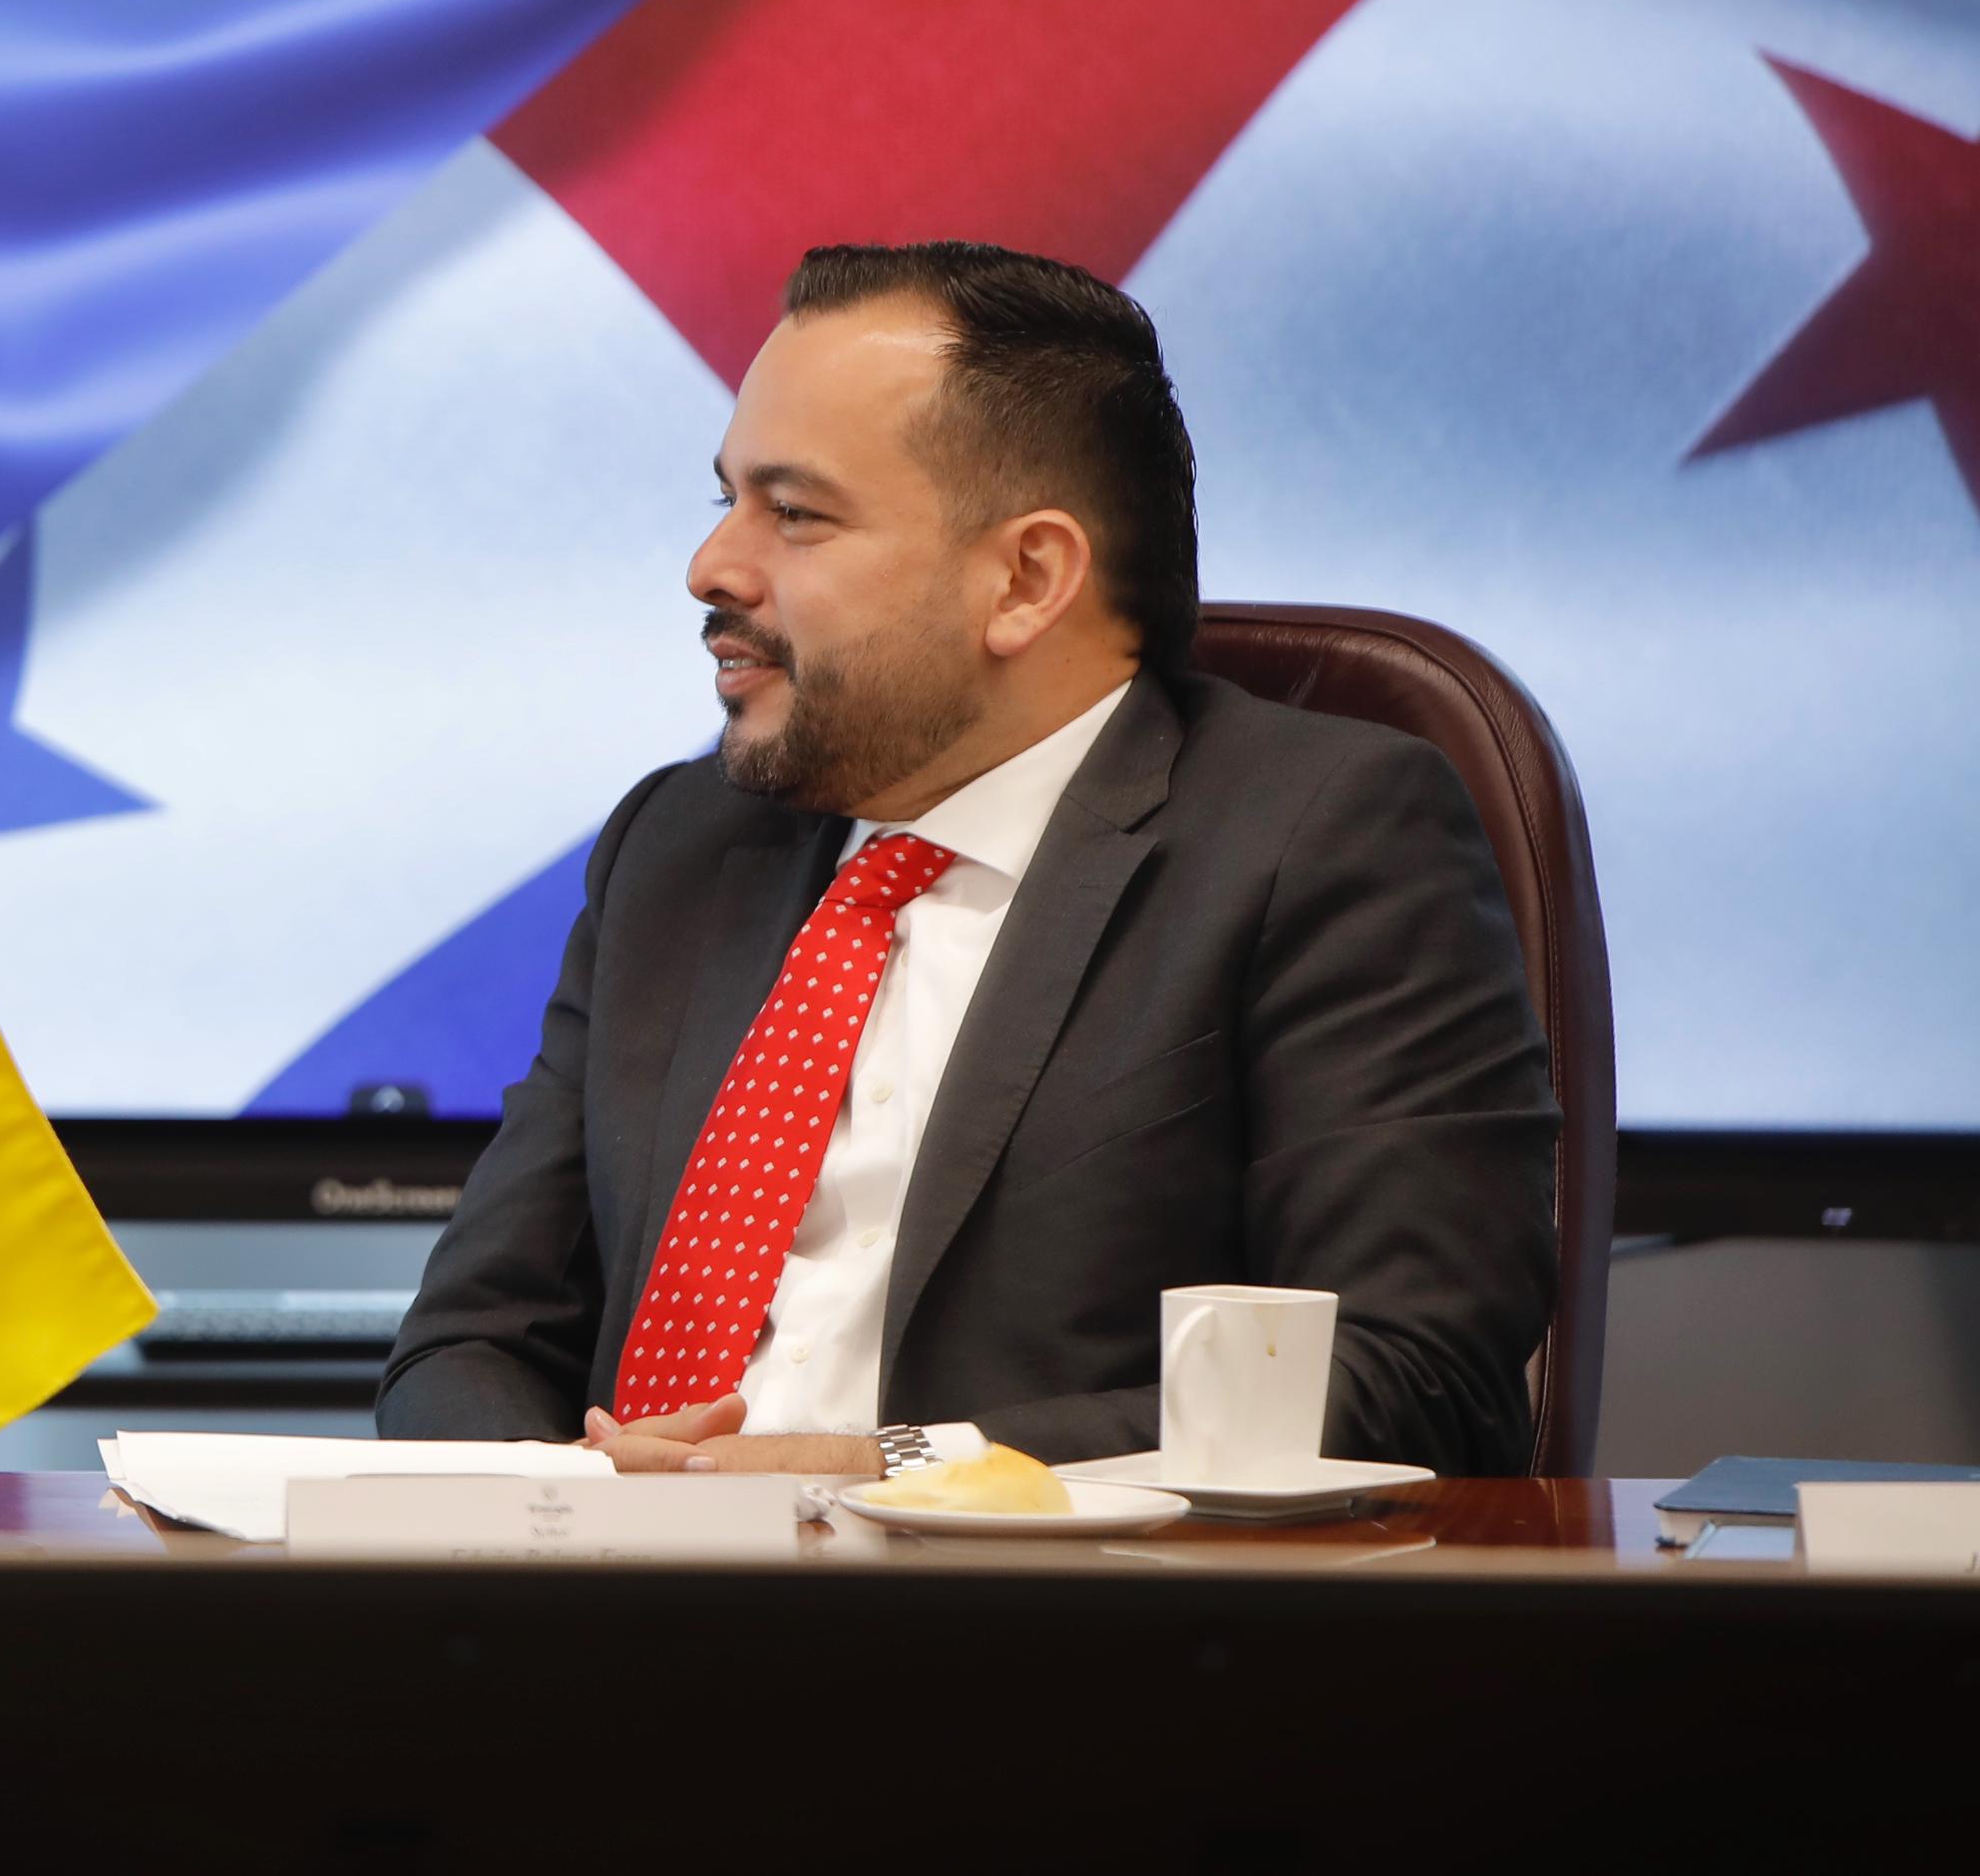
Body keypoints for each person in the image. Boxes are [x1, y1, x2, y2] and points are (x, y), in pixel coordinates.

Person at [381, 242, 1559, 1479]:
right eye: (722, 500)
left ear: (1023, 579)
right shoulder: (677, 846)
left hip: (1033, 1595)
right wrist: (557, 1503)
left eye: (794, 513)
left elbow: (1407, 1376)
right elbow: (469, 1339)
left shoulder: (1318, 836)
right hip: (610, 1590)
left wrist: (890, 1469)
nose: (711, 566)